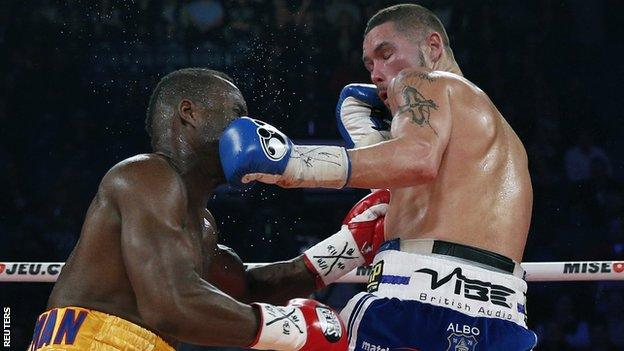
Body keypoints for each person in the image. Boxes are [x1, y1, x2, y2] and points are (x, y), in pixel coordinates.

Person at [220, 4, 538, 350]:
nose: (377, 73)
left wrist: (293, 162)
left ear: (432, 48)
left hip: (417, 308)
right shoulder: (500, 139)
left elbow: (418, 159)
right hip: (503, 321)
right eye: (369, 65)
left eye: (386, 55)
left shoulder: (424, 80)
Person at [27, 68, 389, 351]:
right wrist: (289, 329)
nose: (249, 128)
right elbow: (171, 303)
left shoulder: (200, 222)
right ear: (189, 113)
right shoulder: (144, 175)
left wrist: (346, 249)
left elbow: (244, 291)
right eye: (236, 114)